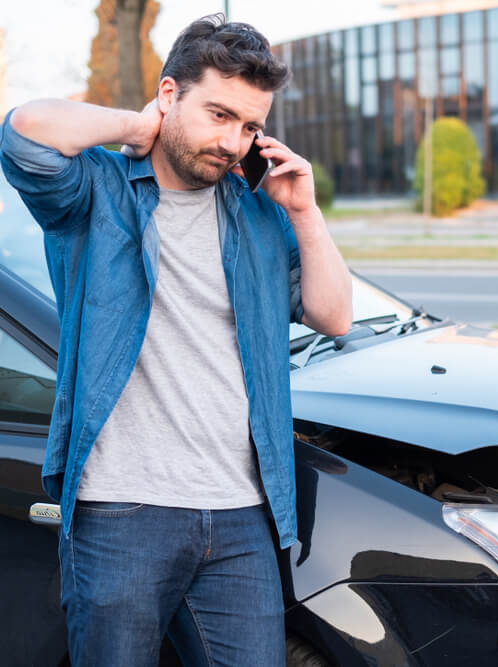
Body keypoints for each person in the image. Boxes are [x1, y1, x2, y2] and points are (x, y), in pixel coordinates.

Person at [0, 14, 352, 666]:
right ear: (169, 95)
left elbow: (333, 316)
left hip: (241, 511)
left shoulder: (258, 213)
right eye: (218, 115)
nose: (233, 141)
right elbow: (23, 134)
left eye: (249, 126)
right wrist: (136, 128)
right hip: (121, 510)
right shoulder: (96, 193)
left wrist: (304, 209)